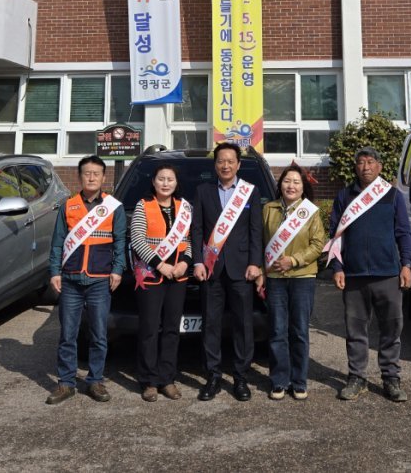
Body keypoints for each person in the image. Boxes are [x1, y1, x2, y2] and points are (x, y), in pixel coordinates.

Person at [328, 146, 411, 402]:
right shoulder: (345, 196)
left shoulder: (392, 196)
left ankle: (391, 378)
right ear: (356, 167)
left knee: (391, 328)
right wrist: (338, 268)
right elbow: (335, 236)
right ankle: (357, 378)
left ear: (379, 166)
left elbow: (403, 233)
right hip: (354, 276)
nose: (365, 167)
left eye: (370, 162)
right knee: (355, 329)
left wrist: (406, 264)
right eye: (361, 162)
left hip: (387, 273)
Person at [46, 155, 126, 405]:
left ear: (104, 177)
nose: (91, 177)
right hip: (70, 280)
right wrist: (54, 271)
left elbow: (120, 242)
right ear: (80, 176)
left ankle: (95, 380)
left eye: (96, 173)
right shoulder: (68, 206)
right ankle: (66, 382)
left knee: (99, 334)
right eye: (87, 173)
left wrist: (118, 270)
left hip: (100, 280)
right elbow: (58, 242)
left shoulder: (114, 207)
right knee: (68, 335)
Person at [190, 142, 263, 401]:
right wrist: (197, 261)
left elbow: (256, 231)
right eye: (221, 160)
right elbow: (196, 229)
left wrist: (256, 263)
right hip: (210, 269)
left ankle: (241, 377)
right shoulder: (202, 191)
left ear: (238, 164)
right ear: (215, 164)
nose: (225, 165)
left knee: (243, 324)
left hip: (241, 269)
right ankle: (213, 376)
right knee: (211, 323)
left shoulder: (249, 192)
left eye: (230, 161)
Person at [261, 162, 326, 400]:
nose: (291, 185)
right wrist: (261, 271)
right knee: (277, 330)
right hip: (275, 278)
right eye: (287, 181)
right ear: (280, 185)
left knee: (299, 331)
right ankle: (279, 380)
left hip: (303, 277)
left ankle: (299, 381)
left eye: (296, 182)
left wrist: (294, 261)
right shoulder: (268, 209)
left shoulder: (311, 212)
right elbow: (260, 242)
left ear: (302, 187)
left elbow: (318, 244)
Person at [129, 163, 192, 401]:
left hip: (178, 276)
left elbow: (189, 239)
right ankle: (149, 381)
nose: (166, 183)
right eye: (161, 179)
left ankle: (167, 378)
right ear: (154, 182)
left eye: (170, 179)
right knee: (149, 329)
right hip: (152, 276)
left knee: (171, 330)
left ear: (176, 183)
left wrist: (185, 263)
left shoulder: (184, 207)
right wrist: (161, 265)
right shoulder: (143, 206)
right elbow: (137, 240)